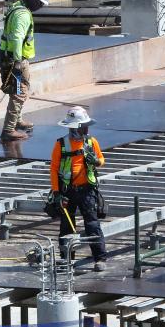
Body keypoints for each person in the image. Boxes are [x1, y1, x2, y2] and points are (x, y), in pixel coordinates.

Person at [50, 106, 108, 271]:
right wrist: (56, 193)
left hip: (87, 190)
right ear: (75, 128)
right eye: (83, 126)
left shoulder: (91, 141)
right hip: (67, 191)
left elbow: (101, 159)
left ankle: (100, 259)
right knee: (66, 226)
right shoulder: (61, 144)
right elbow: (54, 169)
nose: (86, 129)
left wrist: (96, 161)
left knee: (92, 224)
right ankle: (66, 260)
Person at [0, 0, 52, 142]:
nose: (40, 7)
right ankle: (8, 130)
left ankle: (17, 121)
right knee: (19, 94)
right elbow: (16, 37)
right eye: (41, 3)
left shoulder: (19, 6)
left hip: (14, 57)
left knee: (20, 89)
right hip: (15, 59)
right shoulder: (23, 15)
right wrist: (17, 62)